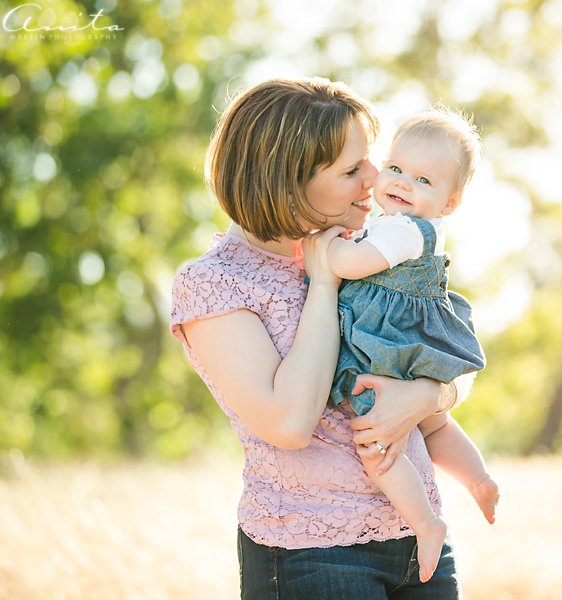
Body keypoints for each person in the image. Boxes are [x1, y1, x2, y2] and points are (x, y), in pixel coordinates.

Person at [169, 77, 470, 599]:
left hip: (418, 536)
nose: (376, 178)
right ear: (287, 182)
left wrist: (427, 395)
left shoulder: (370, 246)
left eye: (371, 160)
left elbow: (441, 351)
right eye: (353, 170)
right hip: (312, 553)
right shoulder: (216, 284)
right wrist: (325, 284)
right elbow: (289, 421)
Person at [324, 108, 500, 582]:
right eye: (396, 168)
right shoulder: (410, 225)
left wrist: (328, 248)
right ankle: (479, 480)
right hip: (409, 345)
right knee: (435, 425)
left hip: (385, 349)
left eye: (423, 180)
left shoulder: (401, 230)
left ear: (450, 201)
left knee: (376, 443)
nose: (401, 183)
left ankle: (425, 522)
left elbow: (355, 264)